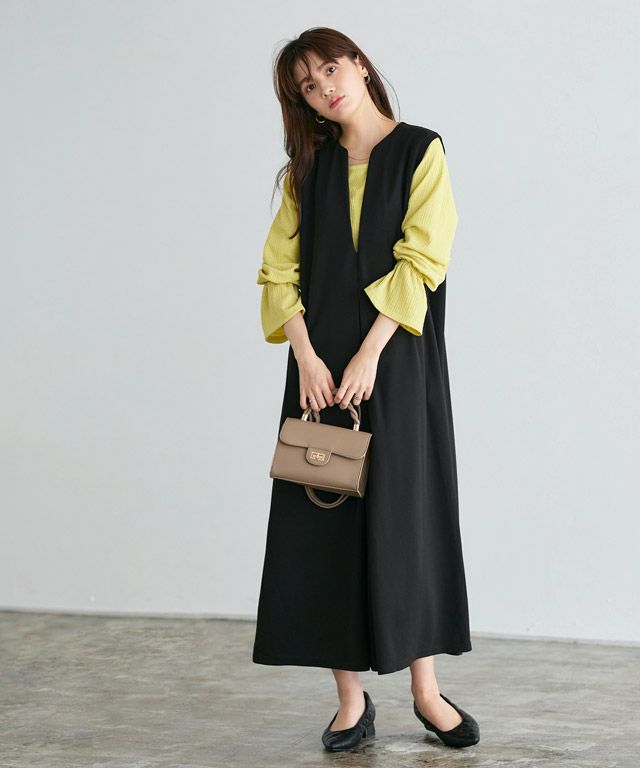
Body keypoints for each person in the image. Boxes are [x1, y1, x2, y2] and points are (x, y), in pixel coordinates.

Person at [253, 27, 480, 752]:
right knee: (326, 521)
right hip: (319, 374)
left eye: (329, 68)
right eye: (307, 86)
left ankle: (426, 692)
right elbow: (277, 270)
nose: (324, 88)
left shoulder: (420, 151)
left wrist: (370, 353)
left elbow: (424, 258)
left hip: (397, 364)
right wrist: (308, 359)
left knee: (407, 517)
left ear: (358, 63)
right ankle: (350, 702)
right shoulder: (307, 171)